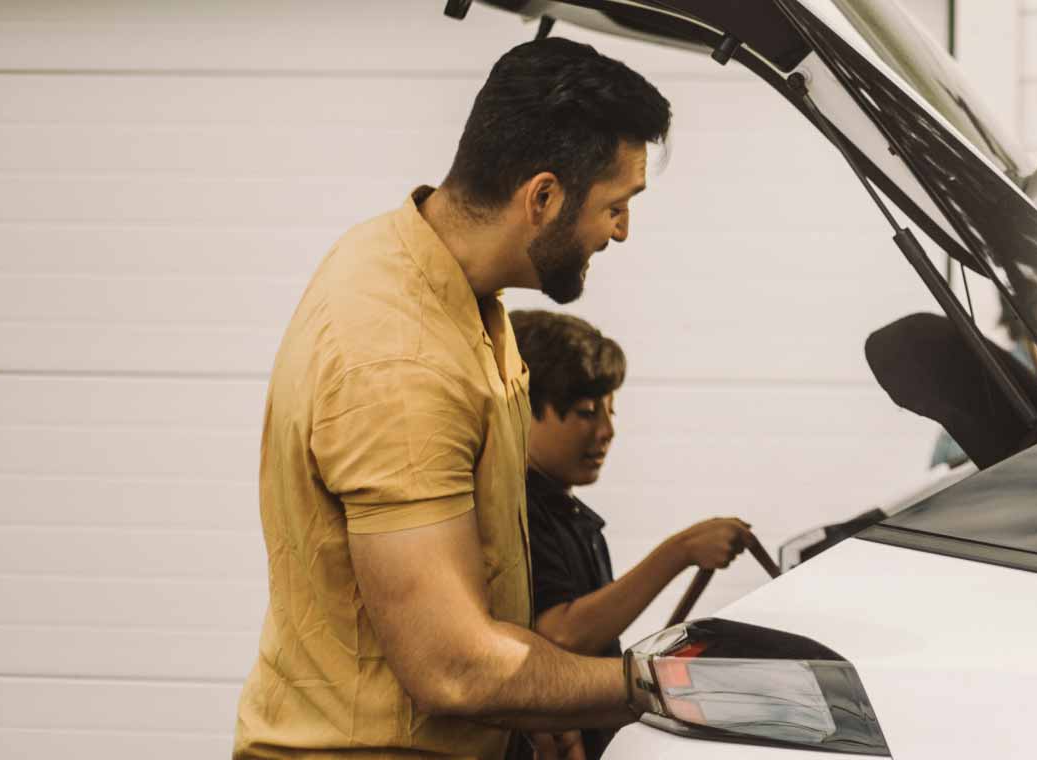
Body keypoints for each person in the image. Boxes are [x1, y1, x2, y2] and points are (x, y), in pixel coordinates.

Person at [235, 37, 671, 759]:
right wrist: (658, 686)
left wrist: (537, 703)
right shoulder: (398, 362)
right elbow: (455, 670)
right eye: (616, 206)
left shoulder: (427, 267)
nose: (622, 232)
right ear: (543, 197)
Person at [505, 309, 754, 760]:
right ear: (523, 409)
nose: (606, 431)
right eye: (585, 412)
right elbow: (561, 637)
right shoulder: (519, 511)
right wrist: (679, 552)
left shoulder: (573, 518)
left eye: (610, 410)